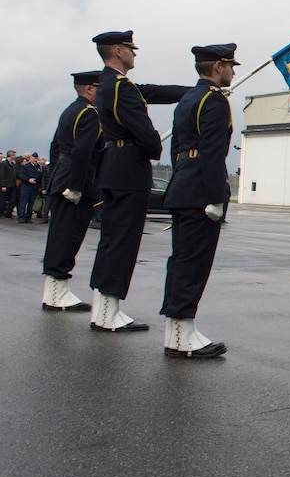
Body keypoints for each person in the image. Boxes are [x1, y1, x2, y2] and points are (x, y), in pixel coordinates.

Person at [87, 30, 189, 332]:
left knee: (111, 239)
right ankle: (109, 312)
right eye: (131, 49)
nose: (135, 53)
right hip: (129, 168)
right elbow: (143, 131)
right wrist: (154, 146)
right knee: (123, 241)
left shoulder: (110, 83)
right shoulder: (120, 87)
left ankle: (101, 309)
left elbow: (156, 92)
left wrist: (195, 90)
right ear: (118, 51)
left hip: (115, 167)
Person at [159, 44, 238, 358]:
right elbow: (213, 151)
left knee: (181, 261)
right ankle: (182, 335)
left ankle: (177, 331)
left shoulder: (188, 98)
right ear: (218, 66)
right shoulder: (214, 100)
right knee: (193, 264)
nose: (233, 72)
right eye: (231, 65)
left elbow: (177, 148)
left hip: (183, 186)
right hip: (200, 193)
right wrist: (215, 196)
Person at [40, 71, 104, 311]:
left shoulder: (70, 110)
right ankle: (58, 295)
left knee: (59, 235)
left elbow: (56, 146)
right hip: (76, 181)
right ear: (89, 89)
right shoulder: (90, 114)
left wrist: (58, 176)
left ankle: (54, 292)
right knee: (68, 236)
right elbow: (83, 152)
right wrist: (75, 185)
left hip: (63, 176)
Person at [17, 152, 44, 223]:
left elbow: (41, 178)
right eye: (34, 158)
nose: (35, 160)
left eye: (36, 158)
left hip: (34, 187)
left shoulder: (39, 167)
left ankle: (28, 217)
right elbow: (21, 175)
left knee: (31, 204)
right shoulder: (26, 166)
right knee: (23, 202)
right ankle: (21, 217)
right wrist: (28, 180)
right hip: (26, 186)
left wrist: (40, 187)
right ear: (31, 158)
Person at [0, 150, 17, 218]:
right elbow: (2, 175)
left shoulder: (12, 164)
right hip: (6, 184)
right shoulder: (4, 164)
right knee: (2, 200)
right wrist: (3, 185)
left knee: (13, 199)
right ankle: (1, 213)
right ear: (11, 155)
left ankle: (8, 213)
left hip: (12, 185)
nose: (15, 157)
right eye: (14, 155)